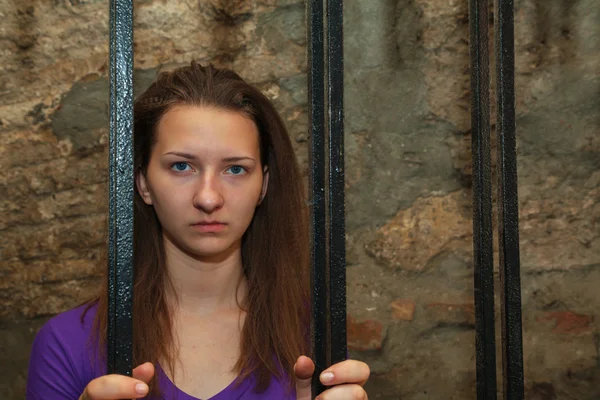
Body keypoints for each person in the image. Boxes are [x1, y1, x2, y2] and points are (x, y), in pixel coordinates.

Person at [26, 62, 369, 399]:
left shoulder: (314, 339)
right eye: (181, 166)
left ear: (263, 185)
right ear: (143, 182)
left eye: (235, 169)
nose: (208, 197)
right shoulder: (68, 343)